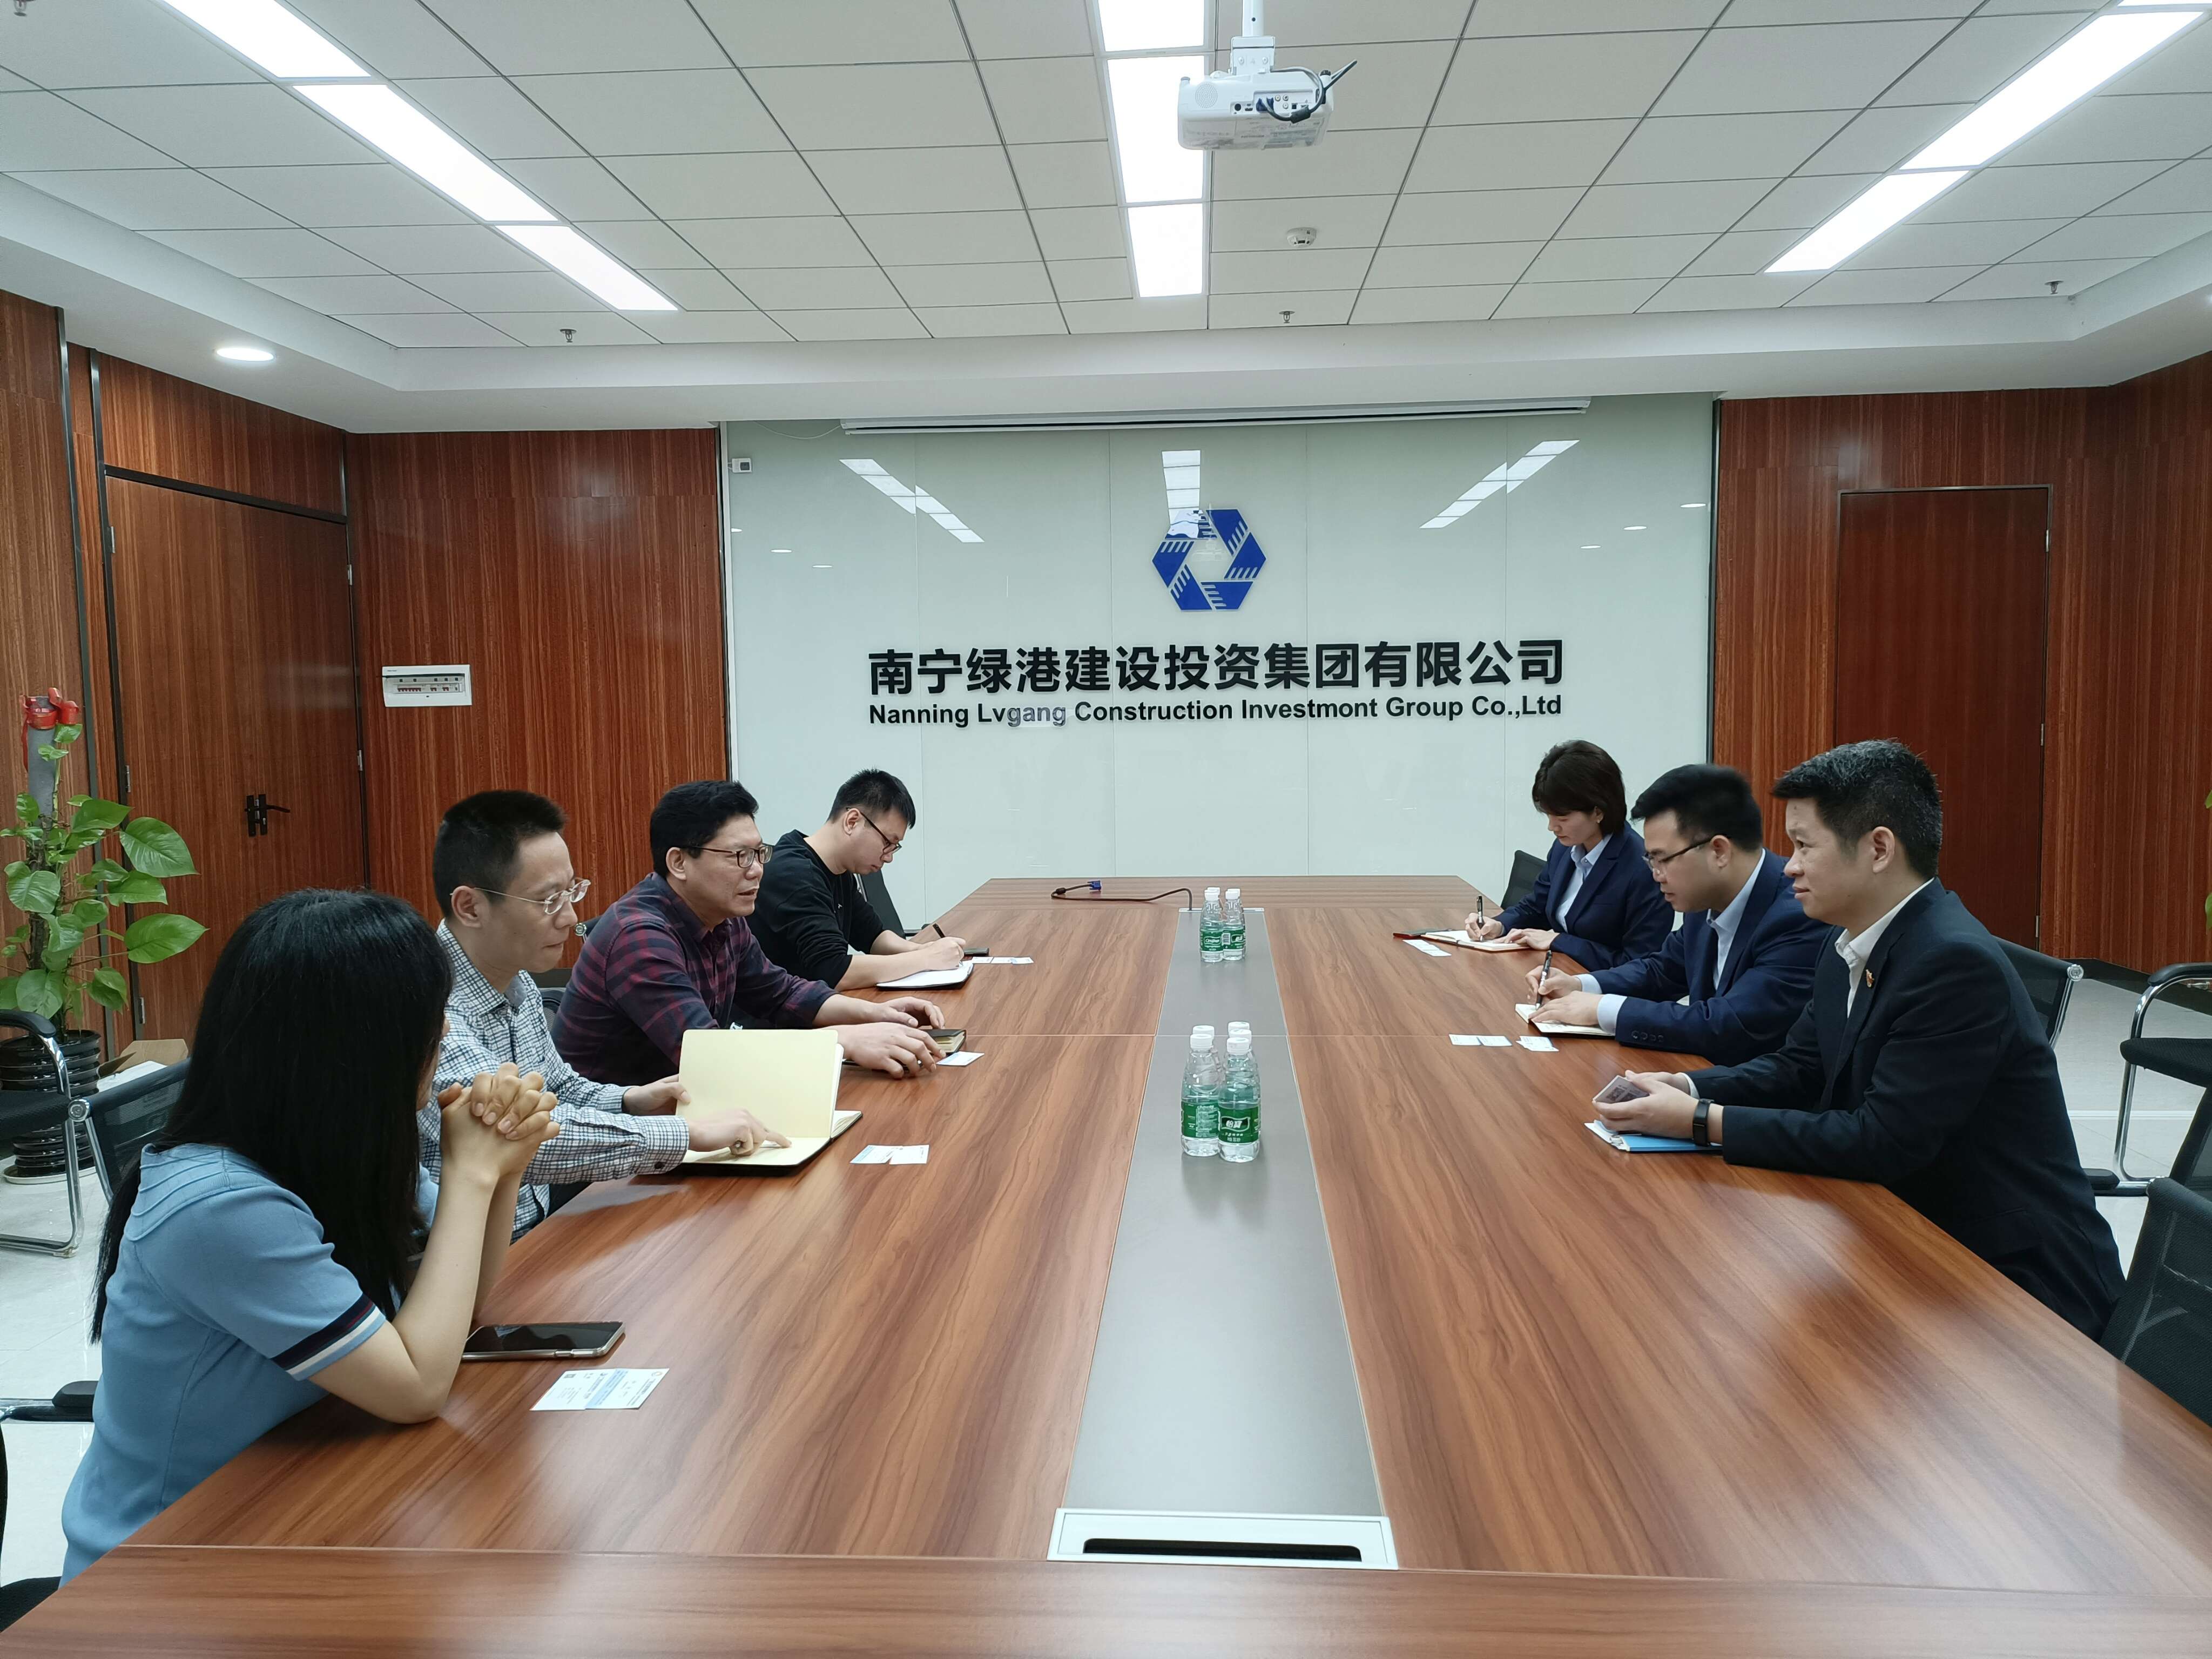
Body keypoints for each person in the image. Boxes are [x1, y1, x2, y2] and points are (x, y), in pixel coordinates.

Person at [60, 889, 561, 1582]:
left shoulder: (338, 1144)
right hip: (167, 1568)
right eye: (427, 1015)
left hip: (301, 1499)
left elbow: (459, 1305)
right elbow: (417, 1386)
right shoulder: (220, 1205)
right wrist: (472, 1176)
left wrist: (503, 1163)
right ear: (352, 1045)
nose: (445, 1031)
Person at [1597, 740, 2125, 1337]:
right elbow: (1799, 1068)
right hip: (1905, 1234)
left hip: (2011, 1282)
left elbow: (1880, 1140)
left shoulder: (1952, 963)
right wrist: (1689, 1085)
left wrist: (1700, 1121)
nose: (1789, 866)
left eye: (1805, 846)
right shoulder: (1847, 937)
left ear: (1878, 849)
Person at [424, 791, 786, 1238]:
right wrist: (686, 1134)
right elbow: (515, 1139)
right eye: (548, 900)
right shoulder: (429, 1010)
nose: (570, 918)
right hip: (458, 1256)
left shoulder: (516, 983)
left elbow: (559, 1088)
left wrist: (632, 1100)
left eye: (571, 892)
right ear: (470, 907)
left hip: (535, 1230)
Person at [555, 779, 946, 1087]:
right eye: (739, 856)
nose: (757, 870)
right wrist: (843, 1040)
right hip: (614, 1142)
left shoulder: (724, 918)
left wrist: (874, 1014)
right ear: (679, 863)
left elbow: (781, 993)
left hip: (689, 1114)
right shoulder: (640, 938)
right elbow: (709, 1056)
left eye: (759, 853)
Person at [1526, 764, 1827, 1064]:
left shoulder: (1798, 914)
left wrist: (1603, 1009)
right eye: (1651, 860)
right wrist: (1581, 985)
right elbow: (1661, 970)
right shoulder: (1704, 897)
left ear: (1719, 851)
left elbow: (1730, 1023)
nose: (1655, 874)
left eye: (1662, 859)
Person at [752, 770, 969, 990]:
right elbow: (835, 972)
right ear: (852, 821)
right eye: (888, 842)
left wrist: (925, 949)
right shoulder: (795, 874)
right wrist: (926, 959)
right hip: (777, 1010)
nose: (889, 857)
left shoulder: (839, 871)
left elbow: (874, 937)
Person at [1468, 739, 1670, 969]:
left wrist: (1560, 941)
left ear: (1598, 811)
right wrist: (1499, 925)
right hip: (1558, 973)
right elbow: (1536, 906)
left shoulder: (1643, 868)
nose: (1552, 827)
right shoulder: (1565, 847)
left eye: (1562, 818)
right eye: (1549, 816)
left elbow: (1640, 964)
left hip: (1599, 986)